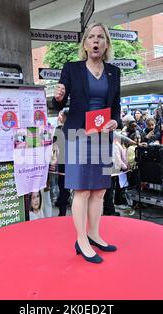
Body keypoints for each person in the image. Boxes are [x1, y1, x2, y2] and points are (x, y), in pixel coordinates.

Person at [53, 22, 120, 264]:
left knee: (100, 190)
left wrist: (115, 121)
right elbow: (59, 103)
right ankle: (81, 240)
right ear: (85, 44)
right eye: (91, 37)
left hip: (103, 135)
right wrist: (58, 98)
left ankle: (94, 234)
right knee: (81, 190)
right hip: (78, 135)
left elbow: (116, 106)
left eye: (100, 37)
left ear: (106, 43)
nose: (95, 40)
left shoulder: (114, 72)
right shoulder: (72, 69)